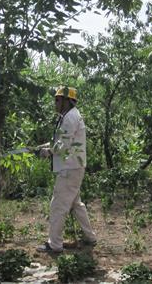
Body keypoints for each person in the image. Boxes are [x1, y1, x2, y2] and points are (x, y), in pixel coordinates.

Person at [36, 86, 97, 253]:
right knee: (76, 205)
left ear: (66, 101)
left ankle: (54, 245)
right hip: (74, 167)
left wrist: (49, 152)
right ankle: (90, 237)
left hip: (70, 168)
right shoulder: (70, 116)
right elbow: (63, 140)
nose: (55, 103)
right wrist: (47, 146)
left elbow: (63, 145)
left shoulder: (70, 118)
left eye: (57, 100)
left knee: (58, 206)